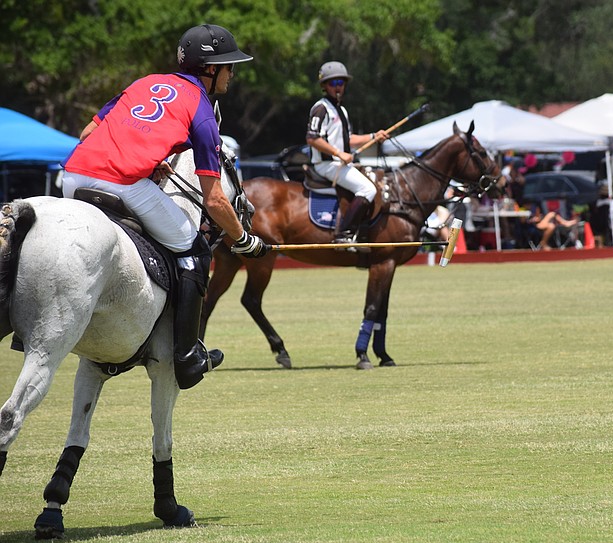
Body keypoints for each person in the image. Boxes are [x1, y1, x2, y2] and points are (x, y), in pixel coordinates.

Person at [61, 24, 267, 390]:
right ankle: (187, 358)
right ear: (210, 68)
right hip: (122, 183)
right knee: (194, 246)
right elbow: (215, 199)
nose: (232, 73)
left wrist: (150, 159)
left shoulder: (144, 83)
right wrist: (242, 239)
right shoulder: (203, 112)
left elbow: (87, 135)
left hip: (73, 176)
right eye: (229, 66)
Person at [306, 61, 388, 245]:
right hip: (326, 165)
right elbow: (312, 138)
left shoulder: (341, 110)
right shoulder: (321, 108)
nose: (338, 87)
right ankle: (343, 234)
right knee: (368, 189)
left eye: (341, 83)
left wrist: (373, 136)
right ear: (324, 86)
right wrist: (338, 153)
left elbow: (348, 139)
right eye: (333, 83)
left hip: (339, 164)